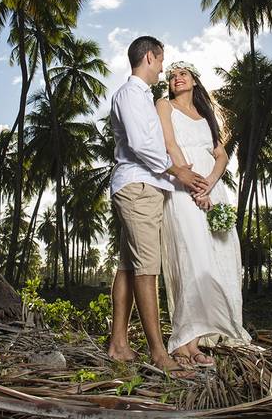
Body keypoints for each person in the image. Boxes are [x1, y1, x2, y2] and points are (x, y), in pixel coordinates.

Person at [106, 36, 208, 375]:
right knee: (148, 269)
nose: (163, 68)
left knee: (128, 266)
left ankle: (118, 344)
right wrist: (176, 169)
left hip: (141, 186)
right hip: (138, 187)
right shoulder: (131, 94)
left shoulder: (142, 97)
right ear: (150, 57)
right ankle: (159, 353)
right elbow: (139, 144)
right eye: (161, 61)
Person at [156, 60, 251, 367]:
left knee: (220, 258)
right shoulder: (164, 106)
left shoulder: (208, 116)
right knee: (191, 258)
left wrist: (209, 184)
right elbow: (170, 144)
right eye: (172, 76)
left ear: (194, 80)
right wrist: (194, 186)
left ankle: (203, 338)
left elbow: (221, 156)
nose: (176, 79)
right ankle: (184, 341)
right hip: (184, 187)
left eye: (182, 74)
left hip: (212, 190)